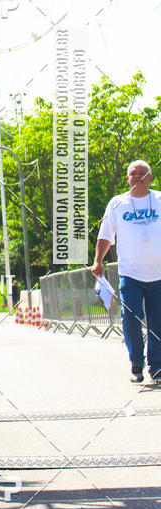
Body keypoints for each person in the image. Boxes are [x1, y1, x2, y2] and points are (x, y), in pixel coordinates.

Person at [91, 160, 161, 383]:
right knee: (130, 319)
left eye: (143, 173)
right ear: (127, 178)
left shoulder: (159, 200)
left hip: (159, 275)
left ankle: (157, 366)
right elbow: (105, 235)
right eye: (134, 174)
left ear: (150, 178)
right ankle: (136, 364)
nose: (138, 176)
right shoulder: (117, 203)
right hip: (130, 274)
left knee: (157, 322)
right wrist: (98, 261)